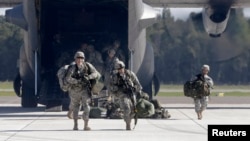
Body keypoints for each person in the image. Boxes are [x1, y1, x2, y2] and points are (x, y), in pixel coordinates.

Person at [65, 51, 99, 130]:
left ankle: (85, 125)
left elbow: (95, 73)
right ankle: (75, 125)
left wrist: (88, 77)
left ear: (83, 59)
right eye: (78, 58)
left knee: (86, 107)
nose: (79, 60)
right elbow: (68, 78)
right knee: (76, 107)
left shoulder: (87, 66)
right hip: (75, 90)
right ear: (75, 59)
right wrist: (78, 81)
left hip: (85, 90)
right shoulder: (72, 67)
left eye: (81, 58)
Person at [109, 60, 142, 130]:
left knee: (133, 110)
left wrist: (135, 89)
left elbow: (138, 85)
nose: (121, 70)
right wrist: (118, 88)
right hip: (122, 94)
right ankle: (128, 124)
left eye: (121, 68)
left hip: (131, 94)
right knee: (127, 109)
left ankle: (129, 120)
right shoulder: (115, 77)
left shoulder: (130, 74)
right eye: (119, 69)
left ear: (124, 67)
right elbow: (111, 88)